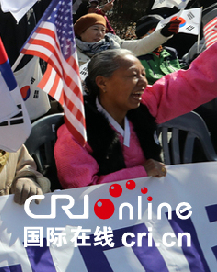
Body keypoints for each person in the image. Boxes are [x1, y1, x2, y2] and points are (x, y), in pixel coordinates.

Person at [56, 45, 217, 188]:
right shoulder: (74, 132)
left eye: (143, 75)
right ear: (102, 83)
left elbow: (191, 83)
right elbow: (82, 190)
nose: (143, 83)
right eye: (133, 76)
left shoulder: (144, 105)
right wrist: (141, 173)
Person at [74, 13, 179, 65]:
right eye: (95, 29)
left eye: (103, 30)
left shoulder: (114, 44)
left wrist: (163, 33)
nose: (99, 34)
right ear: (81, 32)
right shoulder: (69, 52)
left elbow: (140, 46)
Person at [133, 14, 184, 84]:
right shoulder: (133, 55)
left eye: (162, 28)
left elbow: (179, 72)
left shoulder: (170, 53)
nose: (159, 32)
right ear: (143, 34)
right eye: (155, 29)